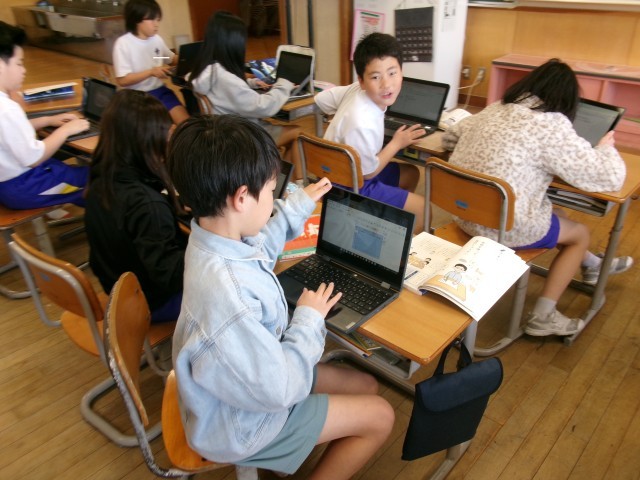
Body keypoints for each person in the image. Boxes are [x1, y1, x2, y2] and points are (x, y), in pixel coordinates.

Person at [167, 114, 394, 479]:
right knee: (382, 415)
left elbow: (259, 246)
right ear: (242, 198)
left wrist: (295, 206)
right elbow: (280, 389)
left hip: (243, 384)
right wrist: (307, 319)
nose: (273, 200)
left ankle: (293, 454)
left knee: (366, 385)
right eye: (272, 192)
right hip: (241, 424)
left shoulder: (213, 237)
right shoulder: (229, 294)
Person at [442, 58, 633, 337]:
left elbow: (449, 139)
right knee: (580, 234)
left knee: (557, 214)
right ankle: (543, 317)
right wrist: (605, 148)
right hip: (503, 228)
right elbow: (611, 177)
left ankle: (593, 265)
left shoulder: (494, 108)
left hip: (464, 214)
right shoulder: (551, 125)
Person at [84, 89, 187, 323]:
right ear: (149, 141)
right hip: (152, 303)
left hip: (117, 289)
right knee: (236, 281)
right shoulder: (147, 205)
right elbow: (171, 277)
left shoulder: (101, 178)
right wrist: (208, 242)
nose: (167, 139)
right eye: (164, 133)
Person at [314, 32, 426, 232]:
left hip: (335, 173)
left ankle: (389, 225)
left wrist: (342, 118)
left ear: (402, 71)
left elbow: (321, 100)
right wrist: (397, 143)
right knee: (422, 209)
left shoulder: (356, 89)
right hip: (348, 185)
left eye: (392, 73)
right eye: (376, 77)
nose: (387, 84)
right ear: (362, 80)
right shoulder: (362, 122)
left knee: (411, 173)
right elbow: (368, 173)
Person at [189, 11, 303, 176]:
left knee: (288, 136)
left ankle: (280, 181)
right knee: (297, 133)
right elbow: (263, 107)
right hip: (244, 136)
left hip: (226, 132)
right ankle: (289, 185)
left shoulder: (206, 70)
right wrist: (284, 85)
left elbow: (226, 91)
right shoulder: (225, 79)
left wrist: (251, 83)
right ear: (232, 44)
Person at [0, 21, 89, 209]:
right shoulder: (7, 108)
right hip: (27, 186)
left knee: (72, 173)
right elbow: (34, 158)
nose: (24, 70)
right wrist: (66, 130)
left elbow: (10, 134)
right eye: (19, 63)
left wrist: (48, 120)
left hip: (11, 184)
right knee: (97, 177)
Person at [112, 0, 189, 125]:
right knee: (158, 129)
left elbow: (170, 59)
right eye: (152, 19)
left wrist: (189, 57)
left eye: (158, 20)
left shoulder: (156, 39)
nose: (156, 24)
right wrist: (151, 72)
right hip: (135, 97)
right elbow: (123, 80)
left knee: (186, 124)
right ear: (137, 19)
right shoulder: (123, 44)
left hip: (159, 91)